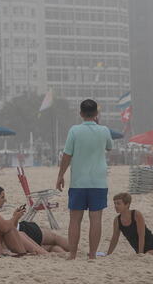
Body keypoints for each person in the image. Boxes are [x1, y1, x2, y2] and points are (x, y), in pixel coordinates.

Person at [56, 98, 112, 260]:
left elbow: (67, 155)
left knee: (75, 220)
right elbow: (109, 147)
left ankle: (72, 254)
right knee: (96, 220)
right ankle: (93, 254)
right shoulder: (104, 130)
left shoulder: (74, 131)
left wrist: (60, 175)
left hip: (78, 182)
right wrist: (99, 124)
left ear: (80, 113)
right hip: (99, 182)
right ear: (96, 114)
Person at [0, 185, 45, 254]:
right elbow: (5, 228)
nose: (5, 200)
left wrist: (15, 217)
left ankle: (42, 252)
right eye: (2, 197)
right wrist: (15, 217)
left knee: (21, 233)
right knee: (18, 234)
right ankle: (38, 253)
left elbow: (8, 227)